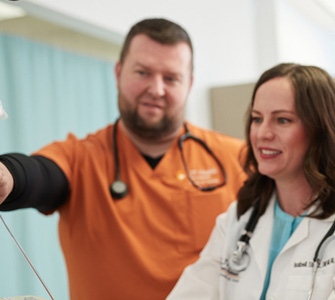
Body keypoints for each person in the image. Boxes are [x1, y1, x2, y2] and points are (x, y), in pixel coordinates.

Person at [0, 18, 247, 300]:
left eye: (171, 78)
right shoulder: (81, 158)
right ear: (118, 73)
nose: (156, 89)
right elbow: (39, 175)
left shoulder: (237, 159)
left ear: (189, 84)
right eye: (142, 72)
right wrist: (8, 176)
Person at [166, 63, 335, 300]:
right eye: (257, 119)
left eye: (282, 120)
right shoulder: (239, 219)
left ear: (320, 130)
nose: (263, 133)